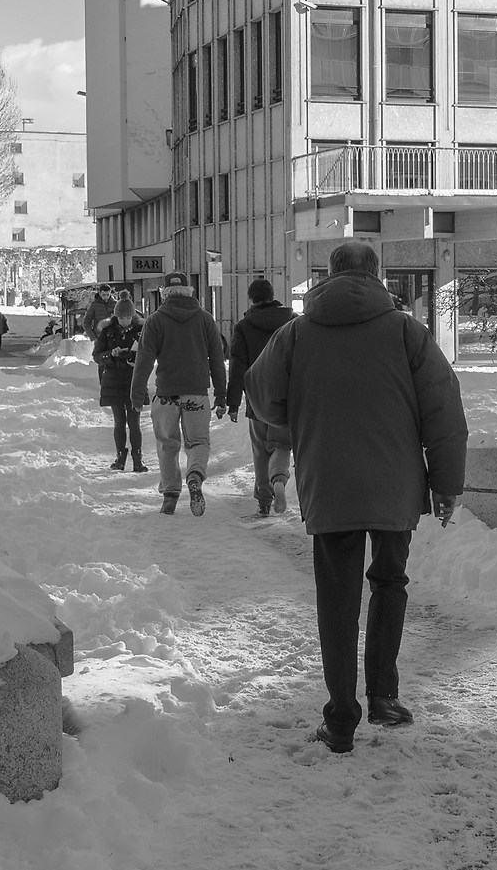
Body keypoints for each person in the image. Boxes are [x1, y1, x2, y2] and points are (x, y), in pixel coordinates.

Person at [247, 240, 466, 754]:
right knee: (389, 581)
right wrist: (446, 484)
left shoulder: (296, 333)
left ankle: (341, 718)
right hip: (395, 484)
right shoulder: (407, 332)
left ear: (330, 275)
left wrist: (300, 416)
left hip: (329, 481)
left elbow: (261, 395)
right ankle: (384, 696)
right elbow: (443, 410)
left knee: (337, 597)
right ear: (376, 275)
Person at [129, 275, 227, 516]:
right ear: (189, 291)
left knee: (167, 444)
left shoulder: (155, 320)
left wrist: (137, 394)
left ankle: (170, 495)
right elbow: (217, 359)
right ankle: (195, 474)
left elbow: (144, 359)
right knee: (198, 442)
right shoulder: (205, 319)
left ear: (165, 293)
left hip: (166, 394)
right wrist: (221, 395)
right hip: (197, 393)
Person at [222, 276, 295, 517]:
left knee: (260, 449)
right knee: (282, 445)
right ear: (273, 296)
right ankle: (279, 480)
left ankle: (264, 501)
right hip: (287, 396)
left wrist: (233, 402)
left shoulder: (244, 327)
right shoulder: (292, 322)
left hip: (257, 396)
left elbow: (238, 366)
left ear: (251, 299)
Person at [91, 293, 146, 472]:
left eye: (128, 317)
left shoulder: (141, 331)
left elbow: (149, 354)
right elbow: (97, 355)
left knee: (134, 422)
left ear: (133, 316)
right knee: (119, 421)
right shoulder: (107, 331)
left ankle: (137, 459)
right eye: (122, 317)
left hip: (134, 380)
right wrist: (111, 356)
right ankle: (120, 457)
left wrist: (132, 356)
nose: (125, 321)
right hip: (113, 380)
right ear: (116, 316)